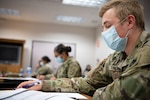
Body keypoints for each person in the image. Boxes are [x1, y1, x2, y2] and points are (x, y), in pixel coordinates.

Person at [17, 0, 150, 99]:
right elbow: (87, 82)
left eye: (108, 26)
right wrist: (44, 85)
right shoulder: (117, 56)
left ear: (130, 22)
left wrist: (93, 92)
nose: (103, 32)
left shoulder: (147, 52)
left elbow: (120, 94)